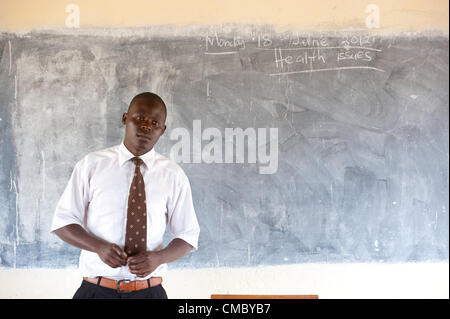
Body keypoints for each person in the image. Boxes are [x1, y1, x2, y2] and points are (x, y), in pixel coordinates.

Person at [50, 92, 200, 299]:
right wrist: (99, 247)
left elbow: (187, 236)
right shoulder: (92, 165)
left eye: (155, 123)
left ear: (162, 130)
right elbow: (63, 223)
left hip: (149, 292)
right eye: (139, 118)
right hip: (96, 290)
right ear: (125, 118)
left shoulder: (173, 175)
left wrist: (159, 257)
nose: (146, 126)